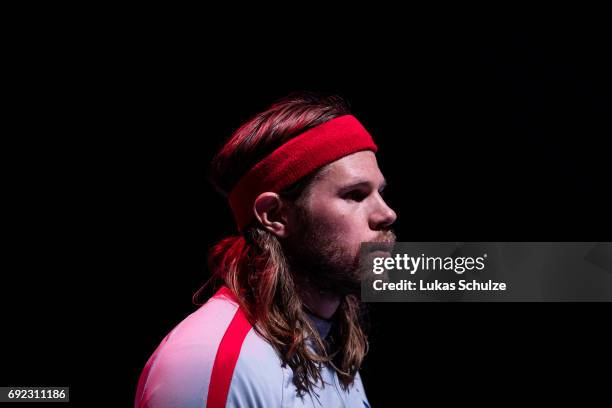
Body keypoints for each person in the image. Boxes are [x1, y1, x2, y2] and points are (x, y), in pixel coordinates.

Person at [135, 92, 397, 407]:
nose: (387, 214)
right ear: (274, 215)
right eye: (355, 195)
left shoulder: (329, 346)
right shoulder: (208, 361)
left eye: (380, 192)